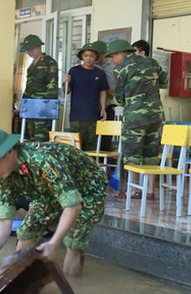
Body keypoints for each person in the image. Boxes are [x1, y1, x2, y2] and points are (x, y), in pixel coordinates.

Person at [0, 128, 107, 276]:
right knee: (25, 232)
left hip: (88, 188)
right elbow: (4, 220)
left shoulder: (42, 160)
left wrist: (54, 243)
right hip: (49, 192)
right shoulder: (4, 174)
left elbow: (73, 206)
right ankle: (22, 281)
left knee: (73, 241)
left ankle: (71, 291)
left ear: (10, 151)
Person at [107, 39, 168, 199]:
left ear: (121, 53)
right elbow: (165, 82)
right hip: (156, 115)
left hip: (135, 117)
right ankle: (150, 191)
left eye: (112, 56)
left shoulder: (121, 69)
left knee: (131, 153)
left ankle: (134, 189)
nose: (112, 60)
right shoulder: (152, 62)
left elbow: (119, 99)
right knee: (151, 152)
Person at [64, 43, 109, 151]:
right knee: (76, 148)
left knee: (92, 149)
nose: (88, 58)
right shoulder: (74, 71)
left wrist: (103, 108)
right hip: (76, 117)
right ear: (82, 57)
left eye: (91, 56)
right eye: (86, 56)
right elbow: (66, 91)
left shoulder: (100, 73)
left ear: (95, 57)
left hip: (93, 116)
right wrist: (66, 82)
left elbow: (103, 91)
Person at [22, 34, 59, 142]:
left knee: (41, 139)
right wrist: (24, 100)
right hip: (31, 106)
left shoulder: (49, 62)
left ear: (39, 47)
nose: (30, 52)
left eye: (32, 49)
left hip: (43, 107)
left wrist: (37, 98)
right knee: (32, 138)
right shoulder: (31, 66)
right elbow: (29, 86)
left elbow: (52, 89)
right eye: (28, 50)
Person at [92, 40, 117, 151]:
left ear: (103, 54)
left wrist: (107, 91)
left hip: (108, 107)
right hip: (91, 108)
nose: (94, 58)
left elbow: (119, 88)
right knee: (92, 141)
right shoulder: (91, 67)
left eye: (96, 55)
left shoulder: (114, 67)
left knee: (106, 142)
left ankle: (107, 168)